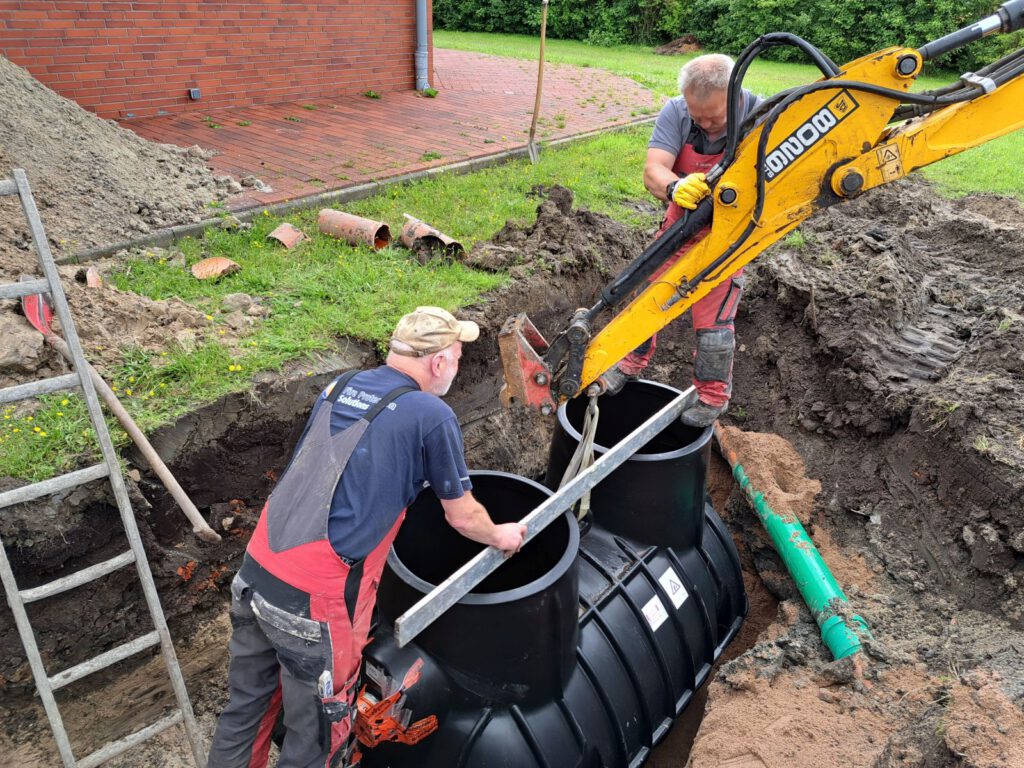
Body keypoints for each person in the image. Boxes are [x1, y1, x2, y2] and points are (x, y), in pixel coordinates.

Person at [206, 306, 527, 768]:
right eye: (456, 356)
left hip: (255, 575)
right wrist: (502, 535)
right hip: (315, 603)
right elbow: (462, 517)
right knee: (316, 738)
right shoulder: (430, 414)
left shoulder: (342, 385)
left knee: (246, 711)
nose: (456, 367)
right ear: (438, 361)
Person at [600, 54, 764, 427]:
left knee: (713, 310)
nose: (704, 125)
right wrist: (675, 186)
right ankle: (630, 361)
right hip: (683, 216)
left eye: (714, 118)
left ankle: (711, 394)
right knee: (650, 289)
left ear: (735, 98)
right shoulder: (676, 112)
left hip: (730, 228)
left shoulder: (761, 115)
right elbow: (653, 169)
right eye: (698, 117)